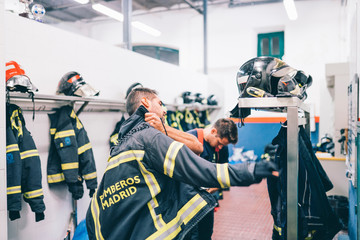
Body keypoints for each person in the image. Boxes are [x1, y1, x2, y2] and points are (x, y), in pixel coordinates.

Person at [86, 87, 278, 240]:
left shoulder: (121, 144)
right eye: (160, 104)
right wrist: (253, 170)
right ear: (145, 103)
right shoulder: (149, 137)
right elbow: (204, 171)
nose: (164, 109)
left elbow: (95, 211)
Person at [185, 118, 237, 240]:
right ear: (213, 131)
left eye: (223, 145)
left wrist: (214, 188)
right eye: (219, 143)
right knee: (191, 235)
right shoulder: (190, 138)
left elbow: (224, 173)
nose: (220, 147)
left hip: (207, 199)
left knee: (206, 234)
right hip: (188, 201)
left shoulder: (222, 148)